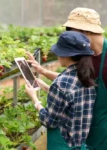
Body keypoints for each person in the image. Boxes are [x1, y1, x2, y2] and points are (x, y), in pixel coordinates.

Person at [27, 7, 107, 150]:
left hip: (103, 136)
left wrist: (35, 100)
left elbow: (68, 86)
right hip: (83, 135)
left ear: (85, 32)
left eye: (71, 32)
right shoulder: (85, 55)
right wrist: (42, 71)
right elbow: (76, 83)